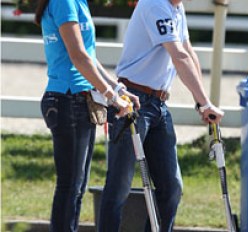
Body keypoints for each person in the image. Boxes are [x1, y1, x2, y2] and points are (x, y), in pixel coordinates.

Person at [98, 0, 224, 231]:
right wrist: (204, 103)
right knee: (119, 186)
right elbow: (178, 55)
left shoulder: (177, 7)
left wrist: (202, 101)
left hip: (158, 104)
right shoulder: (155, 4)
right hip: (131, 100)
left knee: (171, 186)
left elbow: (188, 51)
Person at [34, 0, 139, 231]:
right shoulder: (64, 2)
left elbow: (89, 55)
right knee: (70, 186)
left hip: (78, 99)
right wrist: (111, 96)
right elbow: (78, 57)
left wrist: (118, 89)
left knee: (76, 186)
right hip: (68, 98)